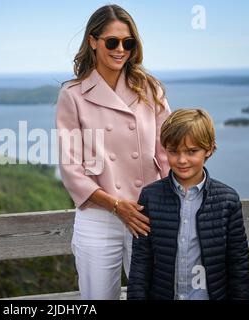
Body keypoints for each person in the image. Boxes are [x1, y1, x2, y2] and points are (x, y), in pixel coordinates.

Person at [55, 4, 171, 299]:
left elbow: (168, 151)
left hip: (147, 215)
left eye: (128, 43)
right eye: (112, 42)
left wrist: (171, 204)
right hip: (98, 217)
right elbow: (72, 170)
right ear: (93, 41)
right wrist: (117, 206)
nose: (121, 49)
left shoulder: (150, 88)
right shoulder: (73, 95)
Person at [127, 108, 249, 300]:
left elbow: (238, 264)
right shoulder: (150, 196)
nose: (181, 160)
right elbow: (140, 263)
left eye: (192, 151)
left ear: (209, 149)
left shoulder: (228, 200)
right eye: (173, 151)